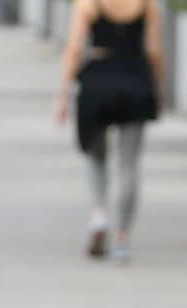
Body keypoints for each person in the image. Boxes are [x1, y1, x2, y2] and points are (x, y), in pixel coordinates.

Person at [55, 0, 163, 263]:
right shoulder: (146, 4)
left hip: (98, 83)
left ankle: (99, 215)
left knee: (96, 155)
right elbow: (154, 51)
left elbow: (74, 49)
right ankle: (122, 239)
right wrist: (158, 88)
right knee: (128, 164)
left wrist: (63, 94)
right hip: (135, 80)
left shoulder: (87, 3)